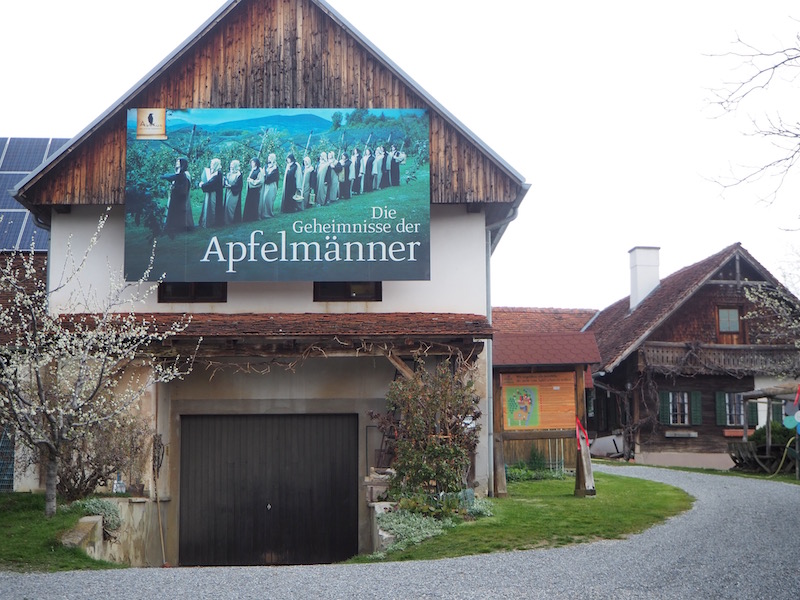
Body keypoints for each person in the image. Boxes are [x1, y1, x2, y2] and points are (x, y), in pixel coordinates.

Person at [163, 157, 193, 234]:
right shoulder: (178, 172)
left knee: (183, 210)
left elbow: (184, 187)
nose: (177, 163)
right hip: (176, 195)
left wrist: (175, 187)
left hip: (182, 196)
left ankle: (184, 226)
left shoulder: (185, 174)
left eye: (178, 162)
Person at [199, 158, 223, 227]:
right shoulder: (212, 171)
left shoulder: (218, 173)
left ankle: (213, 222)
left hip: (215, 194)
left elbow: (212, 182)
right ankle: (206, 220)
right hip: (211, 192)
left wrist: (202, 185)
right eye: (211, 163)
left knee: (213, 207)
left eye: (213, 164)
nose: (211, 165)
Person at [243, 157, 264, 222]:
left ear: (256, 163)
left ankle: (254, 216)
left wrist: (252, 181)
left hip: (255, 189)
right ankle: (248, 216)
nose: (252, 164)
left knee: (254, 203)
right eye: (251, 162)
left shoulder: (259, 170)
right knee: (249, 202)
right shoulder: (252, 170)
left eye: (253, 162)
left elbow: (261, 181)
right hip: (250, 189)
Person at [224, 159, 243, 224]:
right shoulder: (229, 173)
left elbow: (239, 185)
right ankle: (226, 220)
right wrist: (225, 182)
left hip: (234, 193)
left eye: (232, 165)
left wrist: (231, 186)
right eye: (231, 165)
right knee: (226, 206)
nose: (231, 167)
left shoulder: (239, 174)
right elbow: (226, 180)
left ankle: (232, 220)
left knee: (231, 206)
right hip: (228, 192)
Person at [261, 153, 278, 219]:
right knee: (264, 198)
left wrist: (266, 176)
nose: (269, 159)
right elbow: (263, 174)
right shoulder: (266, 166)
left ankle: (269, 213)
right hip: (265, 185)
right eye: (269, 157)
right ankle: (264, 213)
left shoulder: (275, 167)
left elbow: (272, 177)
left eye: (271, 157)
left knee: (269, 199)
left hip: (271, 185)